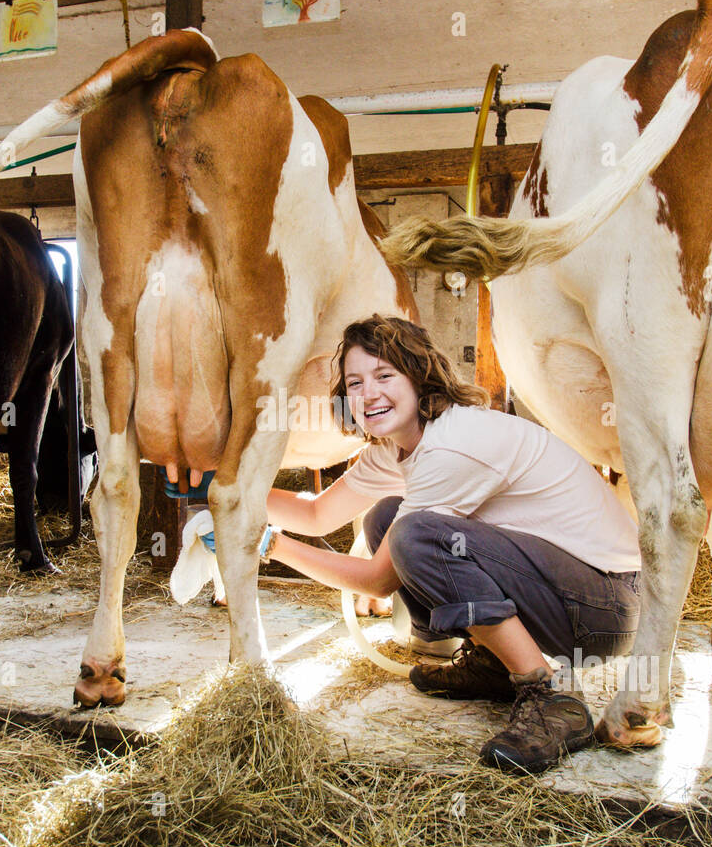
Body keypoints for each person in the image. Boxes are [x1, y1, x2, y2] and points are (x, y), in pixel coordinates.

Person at [261, 315, 641, 774]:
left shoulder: (450, 444)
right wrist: (231, 496)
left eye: (385, 376)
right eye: (355, 382)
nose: (369, 394)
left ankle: (549, 696)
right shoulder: (393, 446)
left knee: (415, 533)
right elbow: (317, 514)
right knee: (388, 515)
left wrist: (267, 546)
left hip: (604, 608)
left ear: (420, 378)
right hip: (560, 593)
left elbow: (379, 581)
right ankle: (495, 665)